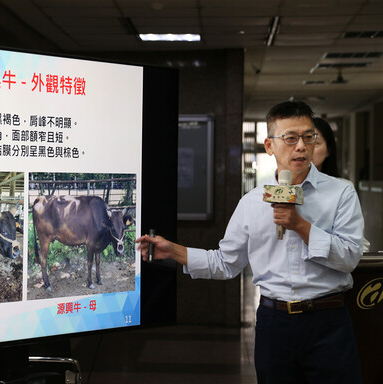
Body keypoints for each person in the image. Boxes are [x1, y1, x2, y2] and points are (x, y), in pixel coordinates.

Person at [137, 101, 364, 383]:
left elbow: (350, 258)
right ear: (269, 145)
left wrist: (300, 225)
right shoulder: (251, 202)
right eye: (291, 138)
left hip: (328, 321)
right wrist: (174, 251)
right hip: (274, 324)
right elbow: (225, 264)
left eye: (309, 137)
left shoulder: (341, 193)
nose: (301, 146)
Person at [313, 116, 370, 252]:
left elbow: (356, 245)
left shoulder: (343, 189)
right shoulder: (274, 190)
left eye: (314, 143)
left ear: (328, 150)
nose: (304, 148)